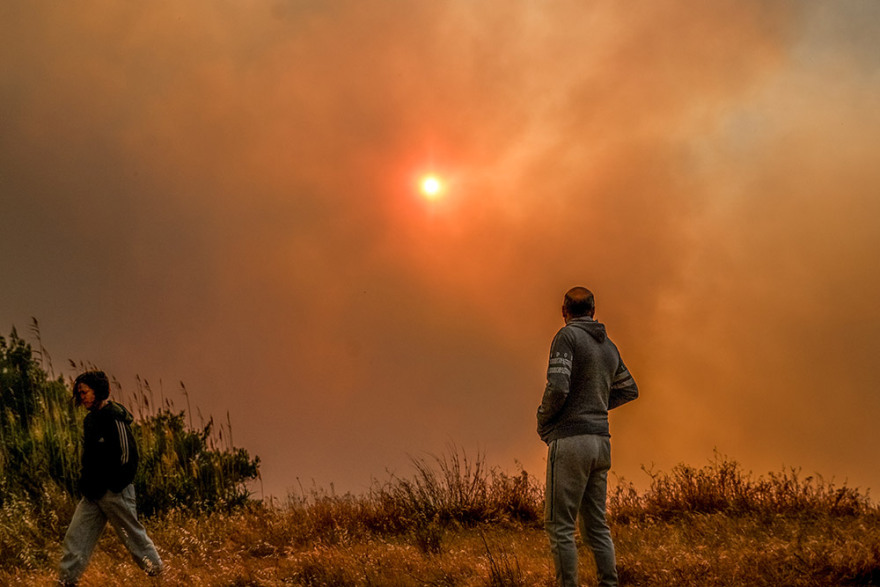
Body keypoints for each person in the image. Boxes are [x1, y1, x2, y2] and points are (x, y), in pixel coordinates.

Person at [537, 287, 639, 587]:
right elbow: (628, 388)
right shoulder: (609, 347)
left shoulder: (566, 337)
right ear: (594, 310)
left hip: (571, 441)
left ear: (564, 310)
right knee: (596, 526)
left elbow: (558, 387)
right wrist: (594, 403)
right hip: (600, 441)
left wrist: (544, 418)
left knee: (560, 527)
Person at [58, 371, 163, 585]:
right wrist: (86, 483)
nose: (82, 397)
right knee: (75, 539)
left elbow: (128, 456)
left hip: (116, 493)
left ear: (98, 391)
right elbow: (88, 457)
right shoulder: (90, 421)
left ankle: (159, 576)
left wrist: (115, 486)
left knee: (133, 538)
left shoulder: (114, 417)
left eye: (85, 392)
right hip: (92, 495)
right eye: (79, 393)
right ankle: (66, 582)